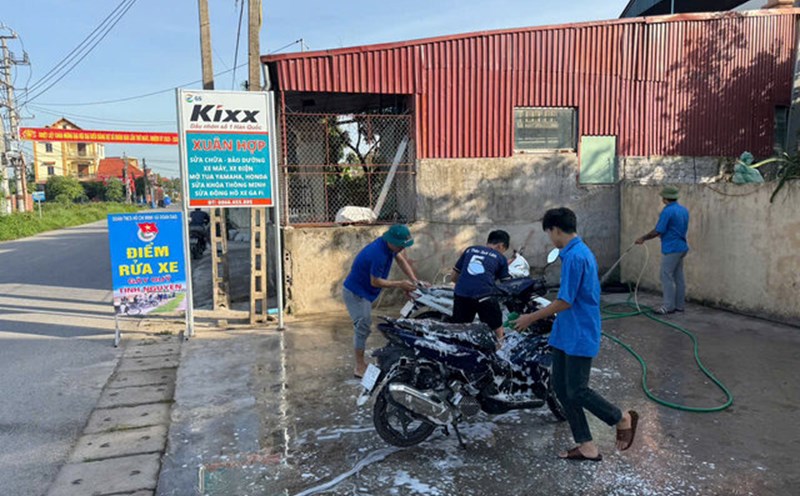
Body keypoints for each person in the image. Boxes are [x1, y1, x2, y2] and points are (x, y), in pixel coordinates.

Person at [513, 208, 639, 462]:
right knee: (560, 387)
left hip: (580, 330)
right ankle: (586, 445)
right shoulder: (571, 252)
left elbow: (565, 301)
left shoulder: (575, 257)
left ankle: (621, 417)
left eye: (549, 233)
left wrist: (530, 318)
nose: (550, 238)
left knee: (578, 389)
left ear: (556, 230)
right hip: (565, 332)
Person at [343, 224, 422, 378]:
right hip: (356, 293)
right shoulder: (378, 254)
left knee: (363, 326)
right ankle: (359, 367)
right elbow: (375, 281)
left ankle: (361, 364)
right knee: (363, 326)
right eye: (400, 246)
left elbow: (401, 259)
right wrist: (400, 284)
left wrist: (414, 280)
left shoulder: (390, 247)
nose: (401, 249)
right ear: (392, 241)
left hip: (365, 292)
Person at [635, 185, 690, 315]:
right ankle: (679, 306)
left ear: (666, 198)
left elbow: (658, 230)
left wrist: (642, 238)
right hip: (682, 246)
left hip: (671, 248)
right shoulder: (683, 210)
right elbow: (673, 228)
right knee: (678, 277)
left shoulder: (667, 211)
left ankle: (668, 306)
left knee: (666, 276)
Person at [450, 230, 511, 346]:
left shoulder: (470, 250)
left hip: (461, 294)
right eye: (504, 250)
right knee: (497, 330)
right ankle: (500, 355)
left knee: (459, 331)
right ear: (501, 246)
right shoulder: (501, 258)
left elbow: (453, 277)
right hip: (484, 296)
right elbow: (507, 285)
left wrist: (468, 284)